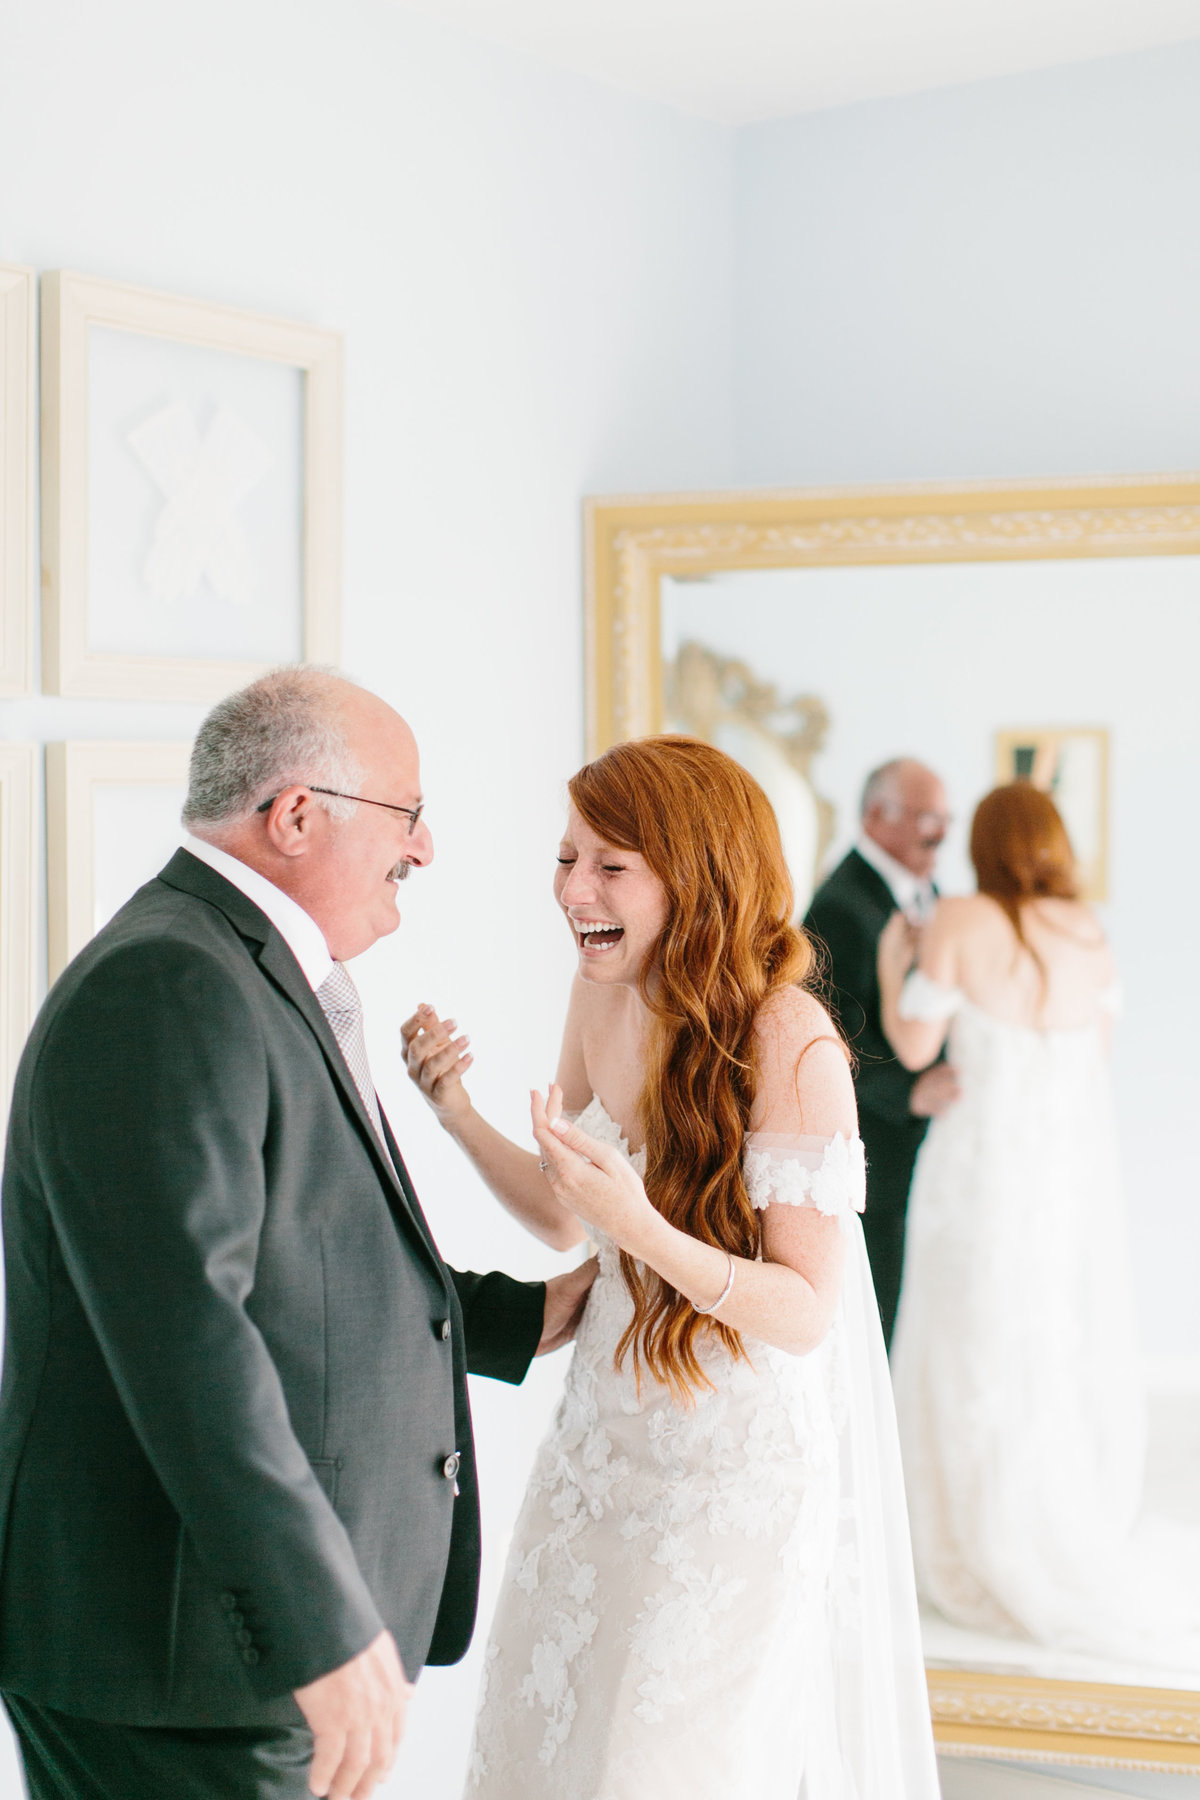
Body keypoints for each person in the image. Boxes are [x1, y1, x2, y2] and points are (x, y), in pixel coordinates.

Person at [0, 667, 595, 1800]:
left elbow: (304, 1263)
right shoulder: (171, 984)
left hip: (218, 1666)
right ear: (295, 815)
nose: (425, 849)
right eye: (408, 814)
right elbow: (183, 1337)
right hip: (175, 1658)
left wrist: (528, 1314)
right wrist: (312, 1622)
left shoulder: (236, 969)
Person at [404, 735, 940, 1799]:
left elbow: (802, 1312)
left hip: (733, 1478)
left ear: (695, 873)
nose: (573, 891)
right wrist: (456, 1114)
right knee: (550, 1750)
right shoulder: (597, 991)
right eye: (566, 859)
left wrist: (639, 1228)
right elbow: (565, 1222)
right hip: (598, 1449)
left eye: (610, 866)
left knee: (664, 1767)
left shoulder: (790, 1038)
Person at [878, 782, 1196, 1663]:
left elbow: (910, 1046)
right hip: (1051, 1187)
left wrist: (892, 956)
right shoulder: (1086, 930)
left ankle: (962, 1538)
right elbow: (1092, 1056)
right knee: (1037, 1348)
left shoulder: (961, 919)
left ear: (984, 843)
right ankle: (1045, 1518)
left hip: (973, 1176)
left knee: (959, 1344)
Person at [803, 758, 960, 1347]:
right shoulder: (837, 905)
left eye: (945, 818)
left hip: (929, 1137)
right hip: (874, 1143)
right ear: (875, 816)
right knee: (876, 1309)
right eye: (926, 817)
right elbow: (825, 1031)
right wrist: (909, 1090)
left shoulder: (928, 890)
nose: (940, 833)